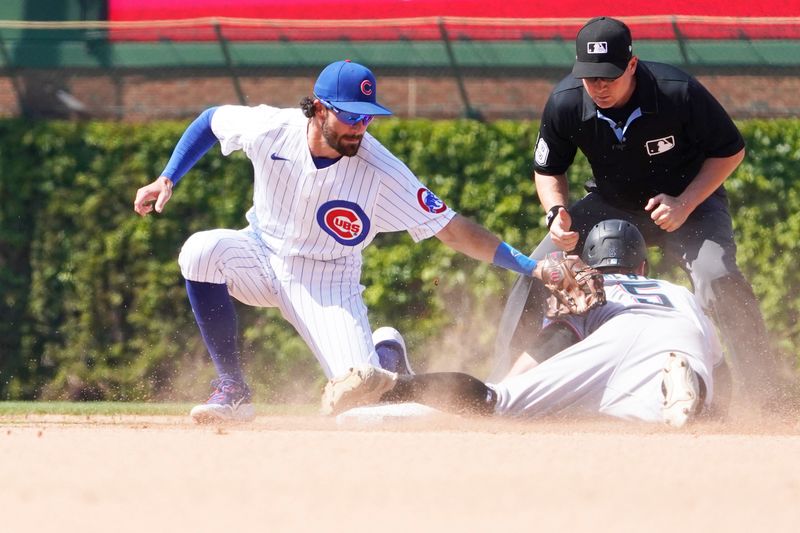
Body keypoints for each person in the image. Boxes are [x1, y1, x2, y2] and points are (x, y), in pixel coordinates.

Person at [133, 60, 548, 424]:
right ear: (318, 109)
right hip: (260, 252)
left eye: (368, 118)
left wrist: (530, 266)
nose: (360, 128)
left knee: (360, 413)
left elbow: (452, 229)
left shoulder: (382, 171)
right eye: (351, 116)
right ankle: (233, 390)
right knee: (200, 252)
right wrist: (168, 176)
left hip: (326, 280)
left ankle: (385, 355)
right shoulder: (271, 128)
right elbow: (210, 119)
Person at [497, 16, 777, 399]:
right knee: (538, 269)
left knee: (717, 277)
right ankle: (507, 387)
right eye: (589, 77)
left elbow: (730, 151)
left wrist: (685, 202)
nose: (598, 87)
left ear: (632, 64)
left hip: (690, 204)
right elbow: (548, 169)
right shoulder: (565, 102)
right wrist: (555, 213)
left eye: (608, 76)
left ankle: (767, 393)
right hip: (611, 204)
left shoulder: (677, 91)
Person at [323, 220, 724, 428]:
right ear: (642, 266)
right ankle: (689, 392)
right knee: (669, 406)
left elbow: (557, 339)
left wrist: (507, 384)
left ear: (592, 264)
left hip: (611, 332)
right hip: (676, 341)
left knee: (498, 403)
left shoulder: (593, 285)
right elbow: (715, 355)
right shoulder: (677, 292)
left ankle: (394, 384)